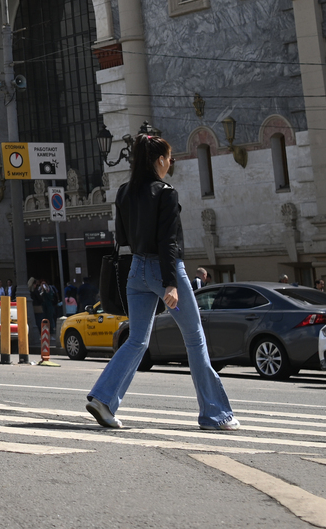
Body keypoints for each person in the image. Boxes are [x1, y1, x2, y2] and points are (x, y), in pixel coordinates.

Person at [84, 133, 237, 433]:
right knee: (195, 338)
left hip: (135, 270)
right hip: (164, 269)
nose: (170, 162)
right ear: (158, 160)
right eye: (168, 157)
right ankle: (214, 414)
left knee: (137, 340)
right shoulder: (166, 193)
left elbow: (123, 239)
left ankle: (103, 398)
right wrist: (170, 283)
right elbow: (168, 242)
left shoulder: (125, 192)